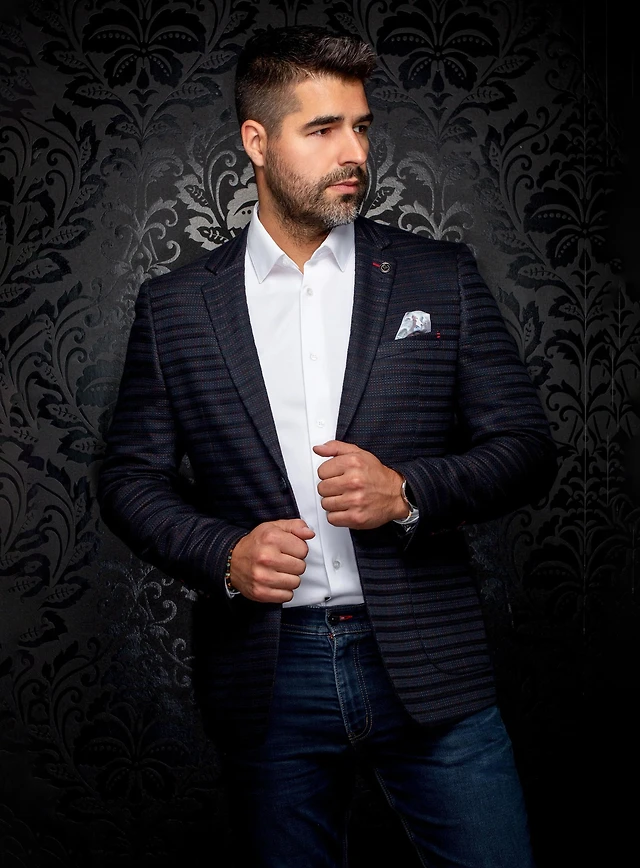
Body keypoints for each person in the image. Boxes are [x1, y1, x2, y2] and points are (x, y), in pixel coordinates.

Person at [98, 25, 557, 868]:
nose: (355, 152)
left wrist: (408, 492)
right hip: (268, 674)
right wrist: (224, 553)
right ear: (257, 141)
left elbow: (527, 447)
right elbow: (129, 478)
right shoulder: (176, 307)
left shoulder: (439, 275)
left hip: (430, 660)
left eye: (362, 126)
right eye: (323, 129)